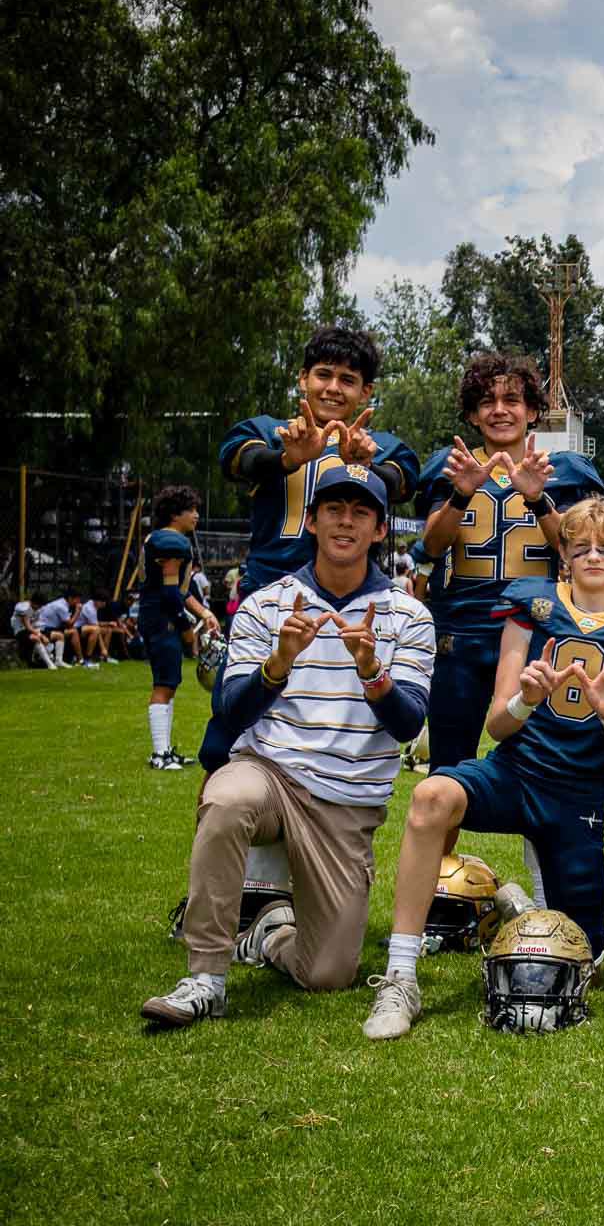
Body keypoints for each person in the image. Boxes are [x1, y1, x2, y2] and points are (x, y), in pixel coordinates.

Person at [363, 498, 604, 1040]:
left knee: (582, 952)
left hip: (578, 797)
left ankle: (517, 907)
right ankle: (400, 974)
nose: (594, 556)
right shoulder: (532, 606)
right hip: (514, 773)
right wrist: (526, 700)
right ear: (563, 552)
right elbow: (497, 725)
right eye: (582, 546)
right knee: (431, 797)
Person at [140, 465, 434, 1028]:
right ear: (312, 521)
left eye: (361, 512)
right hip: (270, 773)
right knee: (228, 799)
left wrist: (372, 671)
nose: (345, 522)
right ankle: (205, 978)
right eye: (333, 510)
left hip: (346, 801)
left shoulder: (409, 616)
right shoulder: (266, 604)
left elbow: (407, 724)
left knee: (327, 972)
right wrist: (278, 663)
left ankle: (269, 934)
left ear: (379, 529)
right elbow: (231, 711)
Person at [204, 325, 420, 771]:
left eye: (348, 379)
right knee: (227, 733)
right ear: (303, 378)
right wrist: (288, 458)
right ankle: (229, 804)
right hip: (271, 599)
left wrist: (367, 464)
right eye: (324, 374)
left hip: (351, 607)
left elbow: (403, 482)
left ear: (366, 391)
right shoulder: (269, 431)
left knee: (340, 727)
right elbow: (237, 460)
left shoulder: (382, 445)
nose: (333, 388)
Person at [416, 352, 604, 772]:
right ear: (472, 414)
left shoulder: (562, 469)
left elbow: (579, 549)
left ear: (532, 410)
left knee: (539, 763)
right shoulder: (452, 464)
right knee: (448, 764)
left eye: (512, 400)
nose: (499, 410)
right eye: (487, 401)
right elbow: (432, 545)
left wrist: (538, 499)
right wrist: (461, 494)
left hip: (536, 629)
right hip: (462, 631)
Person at [140, 486, 221, 768]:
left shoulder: (163, 538)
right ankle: (159, 754)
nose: (196, 515)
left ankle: (165, 749)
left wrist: (205, 613)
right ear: (175, 514)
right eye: (191, 510)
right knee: (164, 684)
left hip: (158, 616)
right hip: (162, 619)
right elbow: (170, 593)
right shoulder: (170, 541)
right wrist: (185, 626)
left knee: (170, 682)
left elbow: (181, 592)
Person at [36, 590, 83, 669]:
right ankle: (79, 660)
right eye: (77, 599)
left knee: (72, 631)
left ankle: (76, 659)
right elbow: (70, 624)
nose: (78, 602)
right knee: (70, 633)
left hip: (50, 628)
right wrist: (78, 611)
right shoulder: (61, 606)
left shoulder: (61, 603)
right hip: (43, 629)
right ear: (70, 598)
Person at [11, 596, 56, 669]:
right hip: (19, 630)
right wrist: (41, 636)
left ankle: (49, 657)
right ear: (34, 602)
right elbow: (27, 626)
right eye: (39, 605)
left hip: (31, 629)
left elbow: (35, 624)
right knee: (36, 638)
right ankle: (50, 664)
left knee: (50, 637)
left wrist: (40, 633)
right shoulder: (23, 608)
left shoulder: (38, 609)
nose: (40, 607)